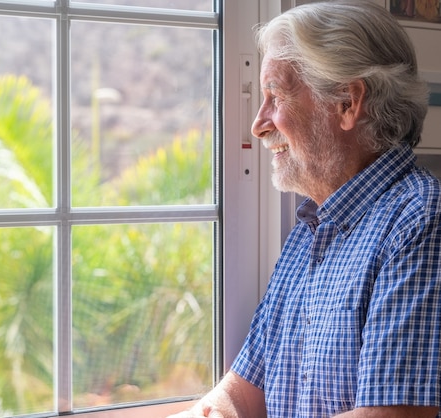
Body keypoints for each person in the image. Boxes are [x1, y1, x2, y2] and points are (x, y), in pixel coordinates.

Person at [169, 1, 441, 417]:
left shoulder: (419, 219)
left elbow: (393, 416)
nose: (259, 124)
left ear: (348, 103)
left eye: (275, 96)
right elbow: (242, 394)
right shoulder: (311, 228)